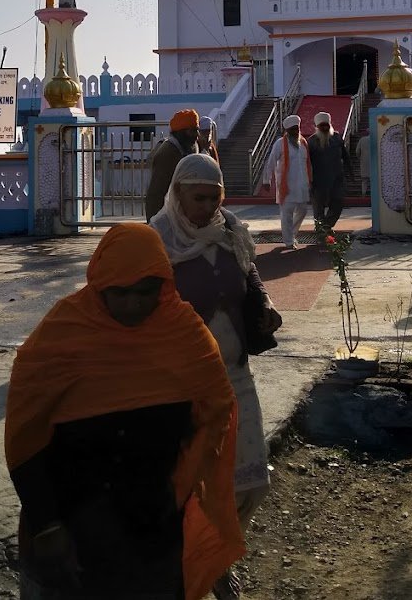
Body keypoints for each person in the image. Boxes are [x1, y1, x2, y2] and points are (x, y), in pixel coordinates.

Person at [5, 223, 244, 600]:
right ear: (99, 284)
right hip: (73, 525)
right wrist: (46, 524)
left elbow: (214, 416)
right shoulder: (62, 334)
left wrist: (179, 490)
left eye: (145, 292)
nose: (133, 304)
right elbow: (25, 438)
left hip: (153, 524)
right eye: (120, 292)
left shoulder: (185, 336)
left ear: (164, 285)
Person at [151, 154, 281, 600]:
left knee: (252, 484)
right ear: (178, 192)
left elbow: (250, 274)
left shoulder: (230, 230)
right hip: (184, 387)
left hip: (235, 374)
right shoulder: (157, 239)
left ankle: (217, 555)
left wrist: (263, 307)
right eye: (199, 197)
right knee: (197, 485)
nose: (207, 207)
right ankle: (202, 565)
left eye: (215, 198)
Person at [263, 114, 311, 248]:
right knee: (287, 214)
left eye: (297, 128)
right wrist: (267, 180)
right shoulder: (280, 144)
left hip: (301, 185)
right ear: (287, 131)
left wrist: (309, 181)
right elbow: (271, 161)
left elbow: (308, 164)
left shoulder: (303, 144)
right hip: (286, 186)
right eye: (292, 129)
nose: (296, 131)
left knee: (303, 211)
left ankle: (292, 234)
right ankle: (289, 241)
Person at [145, 109, 200, 220]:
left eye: (197, 130)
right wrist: (155, 225)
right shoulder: (168, 153)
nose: (197, 135)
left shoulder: (188, 147)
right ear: (181, 132)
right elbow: (156, 195)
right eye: (193, 131)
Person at [306, 111, 350, 234]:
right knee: (318, 207)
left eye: (327, 125)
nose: (325, 128)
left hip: (337, 179)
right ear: (317, 127)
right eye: (322, 126)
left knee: (338, 203)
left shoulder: (337, 137)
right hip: (318, 181)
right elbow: (306, 162)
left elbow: (345, 156)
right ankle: (320, 230)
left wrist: (349, 173)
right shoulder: (311, 141)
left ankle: (326, 226)